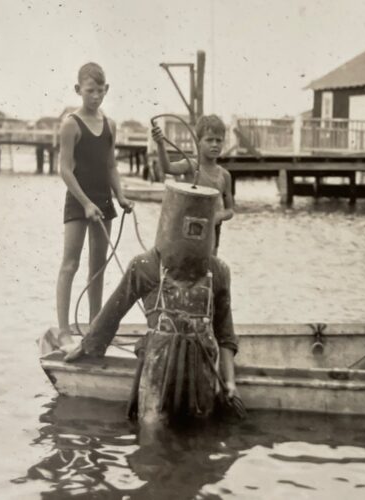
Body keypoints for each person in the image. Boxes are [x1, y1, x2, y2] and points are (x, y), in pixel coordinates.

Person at [63, 181, 239, 428]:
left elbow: (225, 332)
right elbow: (113, 311)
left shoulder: (218, 271)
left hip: (201, 370)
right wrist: (88, 346)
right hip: (158, 367)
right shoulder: (145, 265)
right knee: (153, 435)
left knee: (199, 434)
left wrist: (229, 381)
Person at [56, 62, 133, 346]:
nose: (96, 97)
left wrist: (121, 195)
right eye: (90, 91)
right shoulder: (70, 124)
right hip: (79, 201)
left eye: (101, 91)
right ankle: (64, 331)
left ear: (107, 90)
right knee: (70, 264)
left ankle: (95, 329)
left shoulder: (110, 124)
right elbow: (64, 169)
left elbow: (111, 165)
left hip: (103, 200)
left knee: (98, 267)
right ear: (79, 90)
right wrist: (86, 203)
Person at [151, 114, 234, 253]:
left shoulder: (225, 175)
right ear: (198, 141)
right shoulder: (190, 165)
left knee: (208, 265)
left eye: (219, 141)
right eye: (209, 140)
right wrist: (160, 144)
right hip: (187, 228)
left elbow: (230, 210)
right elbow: (168, 168)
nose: (214, 144)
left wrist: (219, 216)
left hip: (212, 231)